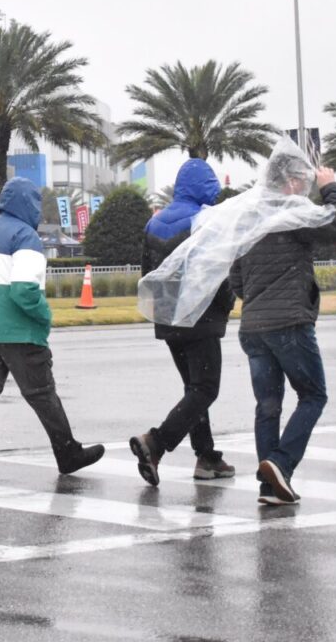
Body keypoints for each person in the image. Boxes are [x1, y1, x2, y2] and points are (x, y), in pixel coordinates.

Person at [0, 177, 104, 481]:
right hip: (20, 332)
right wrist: (44, 315)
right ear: (29, 204)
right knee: (42, 394)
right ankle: (68, 453)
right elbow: (23, 289)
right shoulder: (26, 236)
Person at [231, 153, 336, 505]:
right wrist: (331, 188)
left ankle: (270, 486)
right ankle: (281, 463)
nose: (305, 186)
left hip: (253, 327)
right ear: (289, 183)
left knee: (267, 407)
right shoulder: (292, 214)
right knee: (314, 395)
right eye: (302, 180)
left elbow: (235, 279)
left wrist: (260, 299)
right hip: (289, 325)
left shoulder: (250, 220)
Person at [128, 159, 237, 486]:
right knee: (205, 389)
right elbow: (218, 274)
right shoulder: (205, 222)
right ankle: (157, 442)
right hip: (199, 317)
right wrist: (228, 304)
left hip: (168, 319)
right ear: (205, 186)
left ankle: (207, 457)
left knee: (194, 389)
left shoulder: (155, 222)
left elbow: (147, 271)